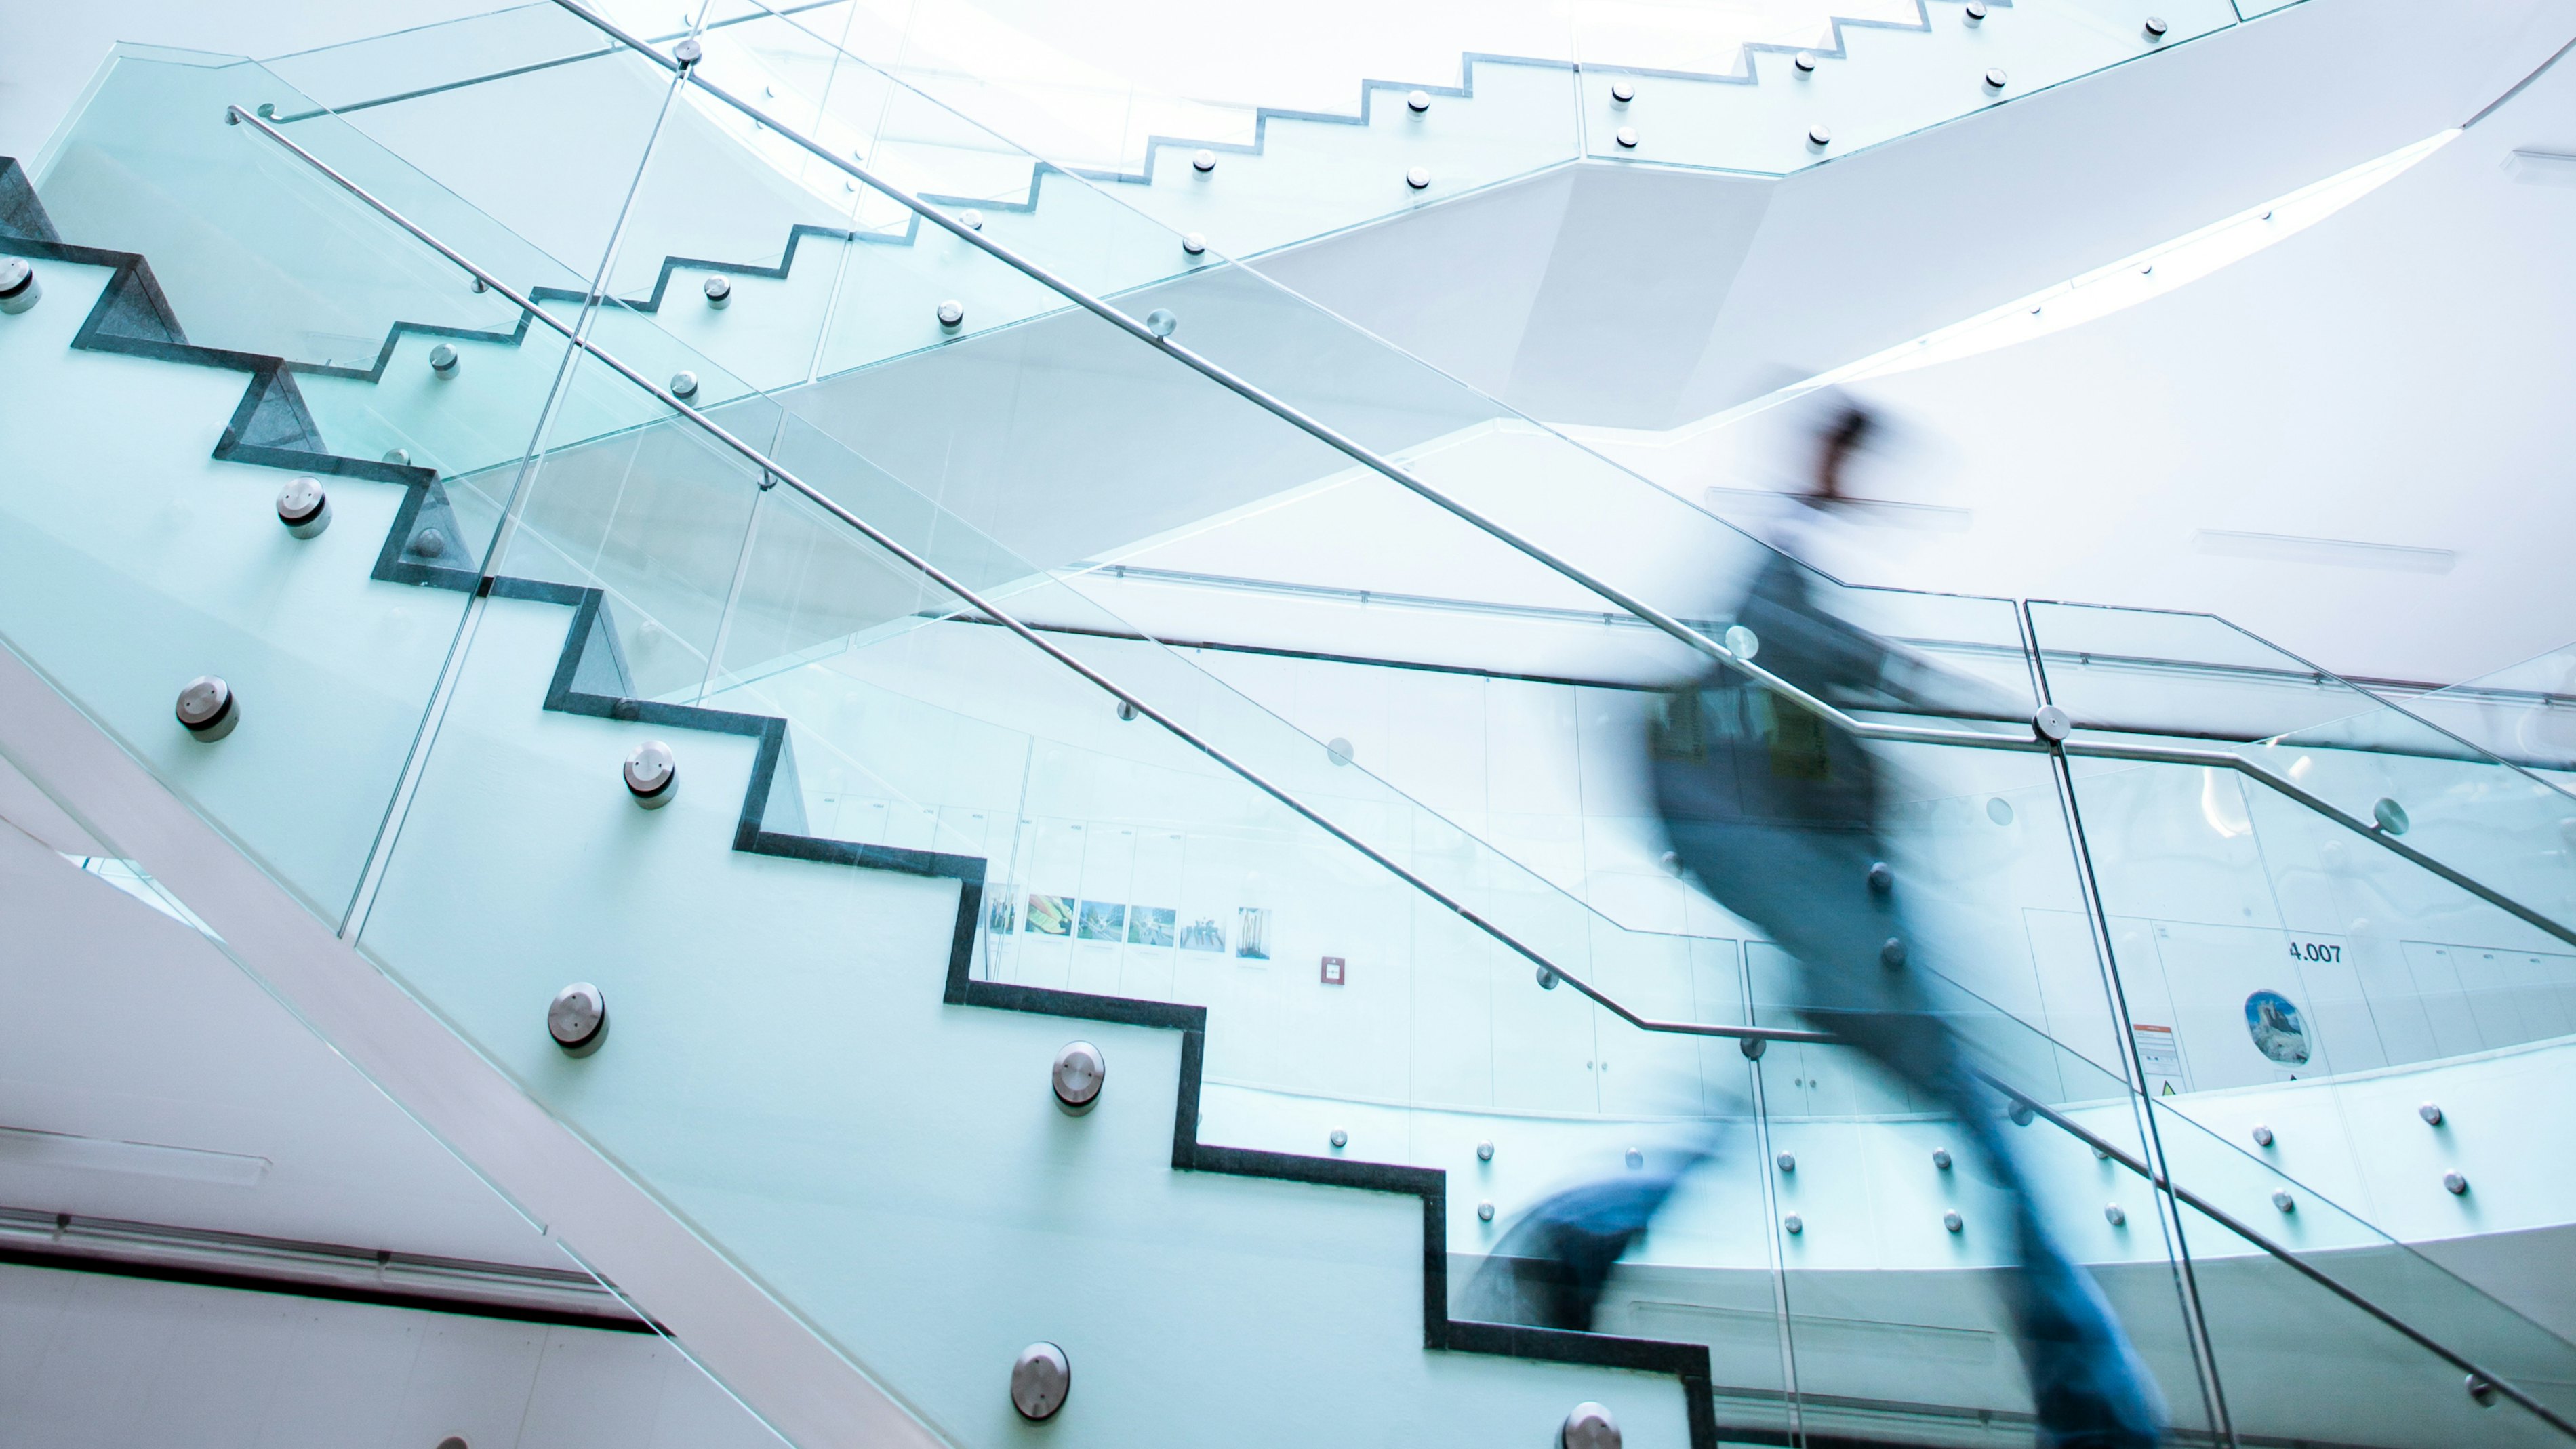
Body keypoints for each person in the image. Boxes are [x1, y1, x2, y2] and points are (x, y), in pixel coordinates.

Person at [1474, 404, 2167, 1449]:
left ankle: (1581, 1240)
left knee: (1766, 1113)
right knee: (1991, 1140)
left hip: (1835, 909)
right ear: (1827, 459)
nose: (1860, 483)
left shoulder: (1779, 582)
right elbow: (1817, 669)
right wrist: (1955, 706)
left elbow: (1821, 687)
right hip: (1852, 914)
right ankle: (2097, 1409)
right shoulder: (1776, 581)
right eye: (1849, 461)